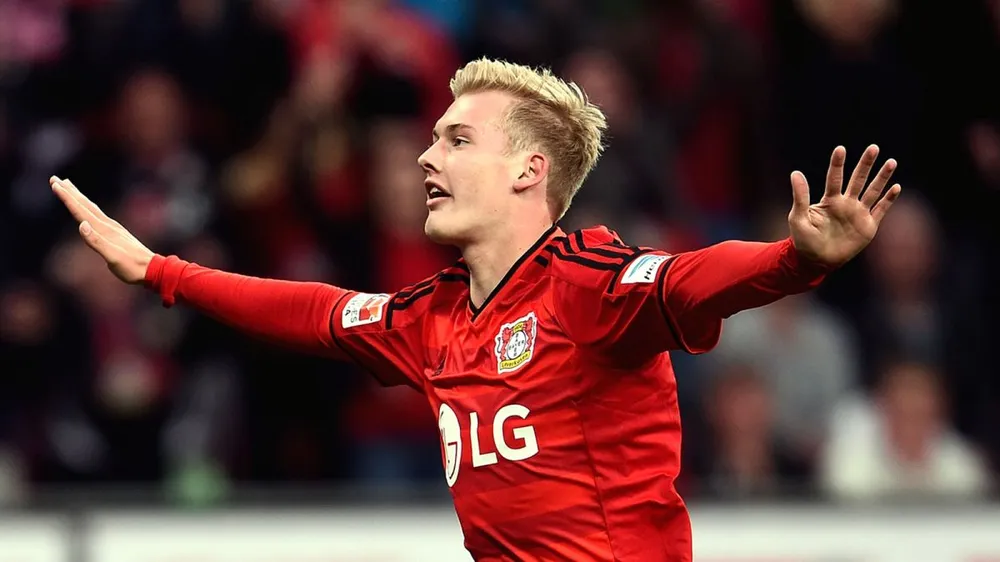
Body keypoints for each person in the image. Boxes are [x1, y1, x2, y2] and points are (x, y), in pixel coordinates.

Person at [52, 58, 901, 562]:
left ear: (530, 171)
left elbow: (688, 279)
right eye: (433, 139)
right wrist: (159, 270)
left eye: (457, 140)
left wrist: (796, 260)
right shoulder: (433, 319)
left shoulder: (587, 284)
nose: (428, 157)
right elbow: (314, 312)